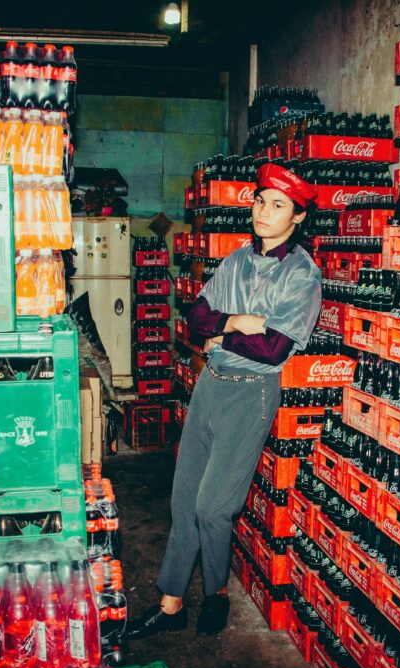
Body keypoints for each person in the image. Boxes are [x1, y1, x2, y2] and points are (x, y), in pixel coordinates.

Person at [128, 163, 323, 639]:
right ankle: (170, 604)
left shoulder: (303, 276)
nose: (263, 211)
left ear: (296, 218)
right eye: (260, 201)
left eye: (278, 205)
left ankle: (215, 592)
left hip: (250, 395)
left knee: (214, 507)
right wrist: (235, 322)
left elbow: (275, 348)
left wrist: (220, 335)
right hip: (210, 385)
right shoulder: (235, 260)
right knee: (183, 499)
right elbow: (196, 317)